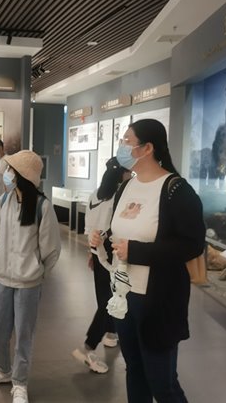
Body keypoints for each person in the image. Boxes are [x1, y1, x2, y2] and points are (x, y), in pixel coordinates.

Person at [90, 119, 205, 403]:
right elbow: (121, 234)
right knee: (135, 371)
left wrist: (137, 252)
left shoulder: (176, 190)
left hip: (157, 301)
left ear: (148, 148)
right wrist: (103, 239)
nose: (122, 147)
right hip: (124, 295)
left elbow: (192, 244)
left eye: (127, 141)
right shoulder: (126, 187)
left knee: (162, 384)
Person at [0, 150, 61, 403]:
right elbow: (0, 237)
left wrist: (37, 271)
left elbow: (51, 248)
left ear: (23, 175)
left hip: (28, 282)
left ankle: (20, 382)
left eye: (11, 170)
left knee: (24, 334)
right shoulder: (3, 200)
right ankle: (2, 369)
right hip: (2, 277)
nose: (6, 174)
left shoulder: (42, 206)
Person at [71, 157, 130, 374]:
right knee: (110, 301)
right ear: (123, 174)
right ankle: (87, 347)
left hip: (97, 250)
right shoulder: (119, 195)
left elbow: (90, 228)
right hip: (113, 254)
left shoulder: (95, 194)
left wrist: (92, 252)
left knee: (104, 296)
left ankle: (111, 334)